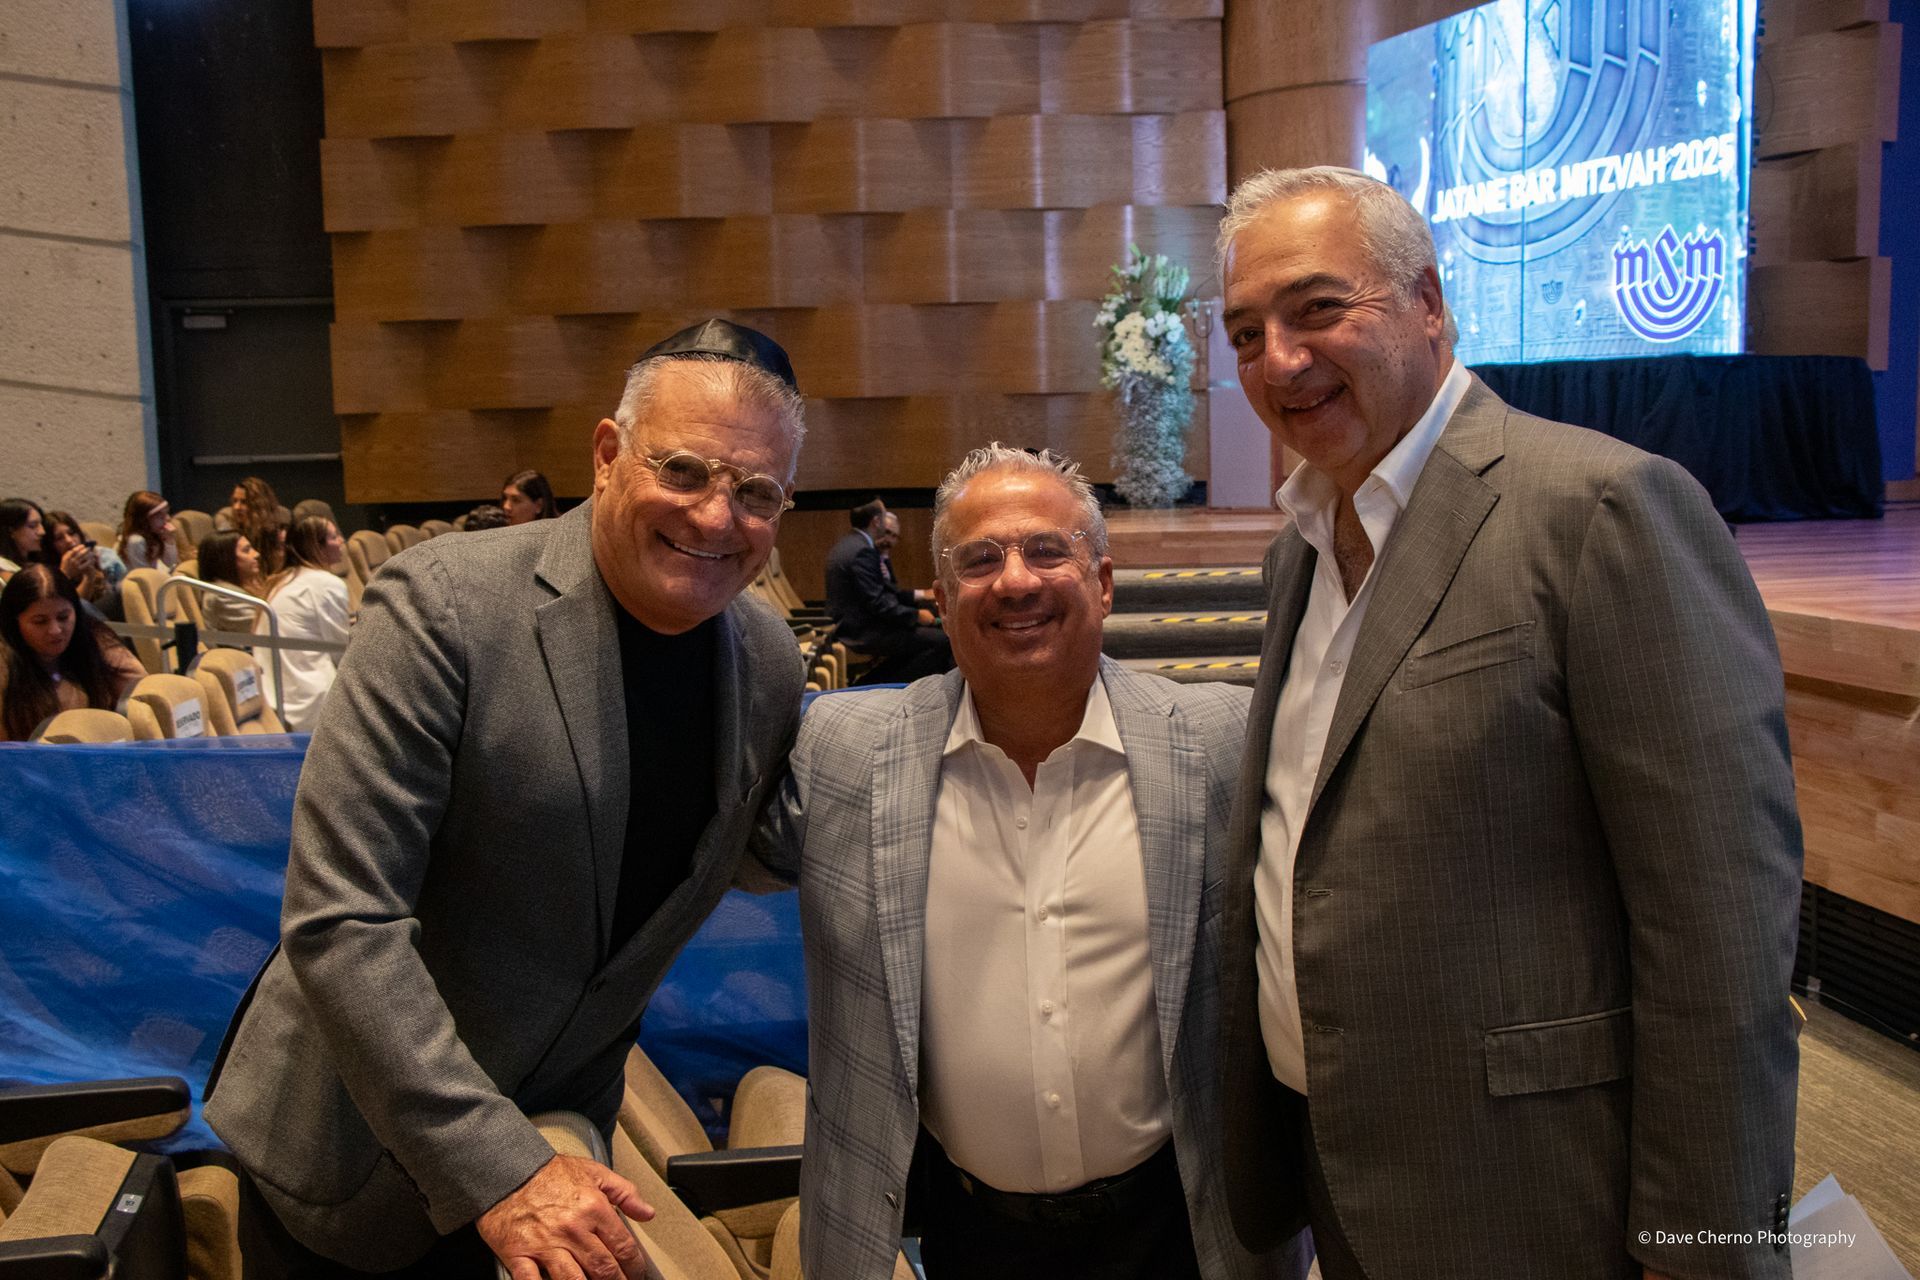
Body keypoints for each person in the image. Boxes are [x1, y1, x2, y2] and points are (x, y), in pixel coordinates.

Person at [1213, 166, 1802, 1280]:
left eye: (1317, 309)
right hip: (1346, 1180)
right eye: (1247, 333)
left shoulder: (1601, 508)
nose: (1279, 360)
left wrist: (1705, 1244)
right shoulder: (1298, 549)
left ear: (1429, 303)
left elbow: (1721, 921)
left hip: (1542, 1195)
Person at [205, 318, 810, 1278]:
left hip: (561, 1130)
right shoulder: (443, 603)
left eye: (757, 492)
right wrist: (500, 1169)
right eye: (685, 471)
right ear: (607, 455)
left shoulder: (768, 660)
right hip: (353, 1158)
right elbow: (342, 919)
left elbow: (721, 850)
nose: (714, 517)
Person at [756, 445, 1306, 1280]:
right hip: (971, 1236)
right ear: (941, 600)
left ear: (1104, 583)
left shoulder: (1223, 743)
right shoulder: (846, 756)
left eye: (1048, 550)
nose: (1016, 581)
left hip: (1186, 1229)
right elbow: (702, 856)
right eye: (980, 560)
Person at [0, 564, 145, 740]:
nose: (55, 630)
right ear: (14, 622)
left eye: (63, 617)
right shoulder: (4, 664)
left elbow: (142, 699)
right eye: (40, 621)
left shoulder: (95, 639)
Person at [824, 497, 951, 682]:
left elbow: (883, 594)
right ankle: (878, 685)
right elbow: (879, 603)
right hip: (861, 631)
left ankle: (878, 682)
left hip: (857, 624)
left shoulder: (852, 544)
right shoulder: (861, 551)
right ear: (877, 521)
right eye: (884, 517)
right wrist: (915, 616)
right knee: (942, 641)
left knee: (928, 636)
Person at [258, 517, 351, 732]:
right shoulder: (327, 584)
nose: (342, 541)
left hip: (277, 697)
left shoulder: (281, 580)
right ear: (316, 546)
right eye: (334, 536)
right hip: (312, 701)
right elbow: (344, 653)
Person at [45, 510, 128, 619]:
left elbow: (122, 585)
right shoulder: (49, 571)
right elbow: (73, 607)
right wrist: (71, 575)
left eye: (71, 533)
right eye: (59, 538)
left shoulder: (103, 555)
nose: (69, 541)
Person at [195, 530, 267, 643]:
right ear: (226, 559)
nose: (256, 554)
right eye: (246, 550)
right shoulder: (222, 597)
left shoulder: (241, 586)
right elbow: (266, 630)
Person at [118, 490, 181, 571]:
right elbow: (144, 573)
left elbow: (170, 563)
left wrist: (169, 540)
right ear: (144, 520)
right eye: (160, 517)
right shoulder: (136, 541)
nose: (168, 518)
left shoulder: (155, 535)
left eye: (167, 513)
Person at [1, 498, 47, 581]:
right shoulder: (4, 569)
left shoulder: (31, 563)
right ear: (11, 531)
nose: (42, 532)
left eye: (41, 524)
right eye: (33, 526)